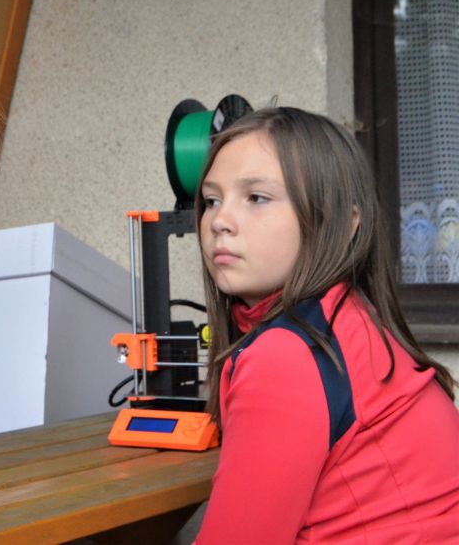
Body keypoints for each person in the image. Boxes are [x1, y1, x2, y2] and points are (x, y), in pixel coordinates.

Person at [193, 107, 459, 543]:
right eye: (211, 200)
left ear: (342, 222)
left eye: (256, 198)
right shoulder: (350, 317)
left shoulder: (285, 355)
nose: (219, 221)